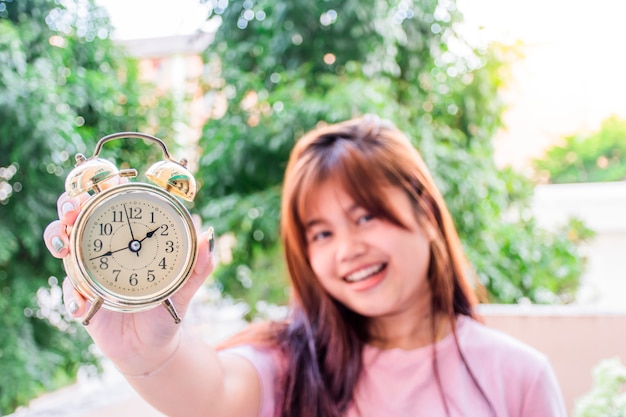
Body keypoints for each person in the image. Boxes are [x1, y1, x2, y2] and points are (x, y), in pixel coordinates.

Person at [44, 115, 567, 417]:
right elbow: (211, 394)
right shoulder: (292, 364)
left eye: (365, 215)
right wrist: (145, 353)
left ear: (426, 211)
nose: (347, 249)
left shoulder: (519, 376)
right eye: (321, 232)